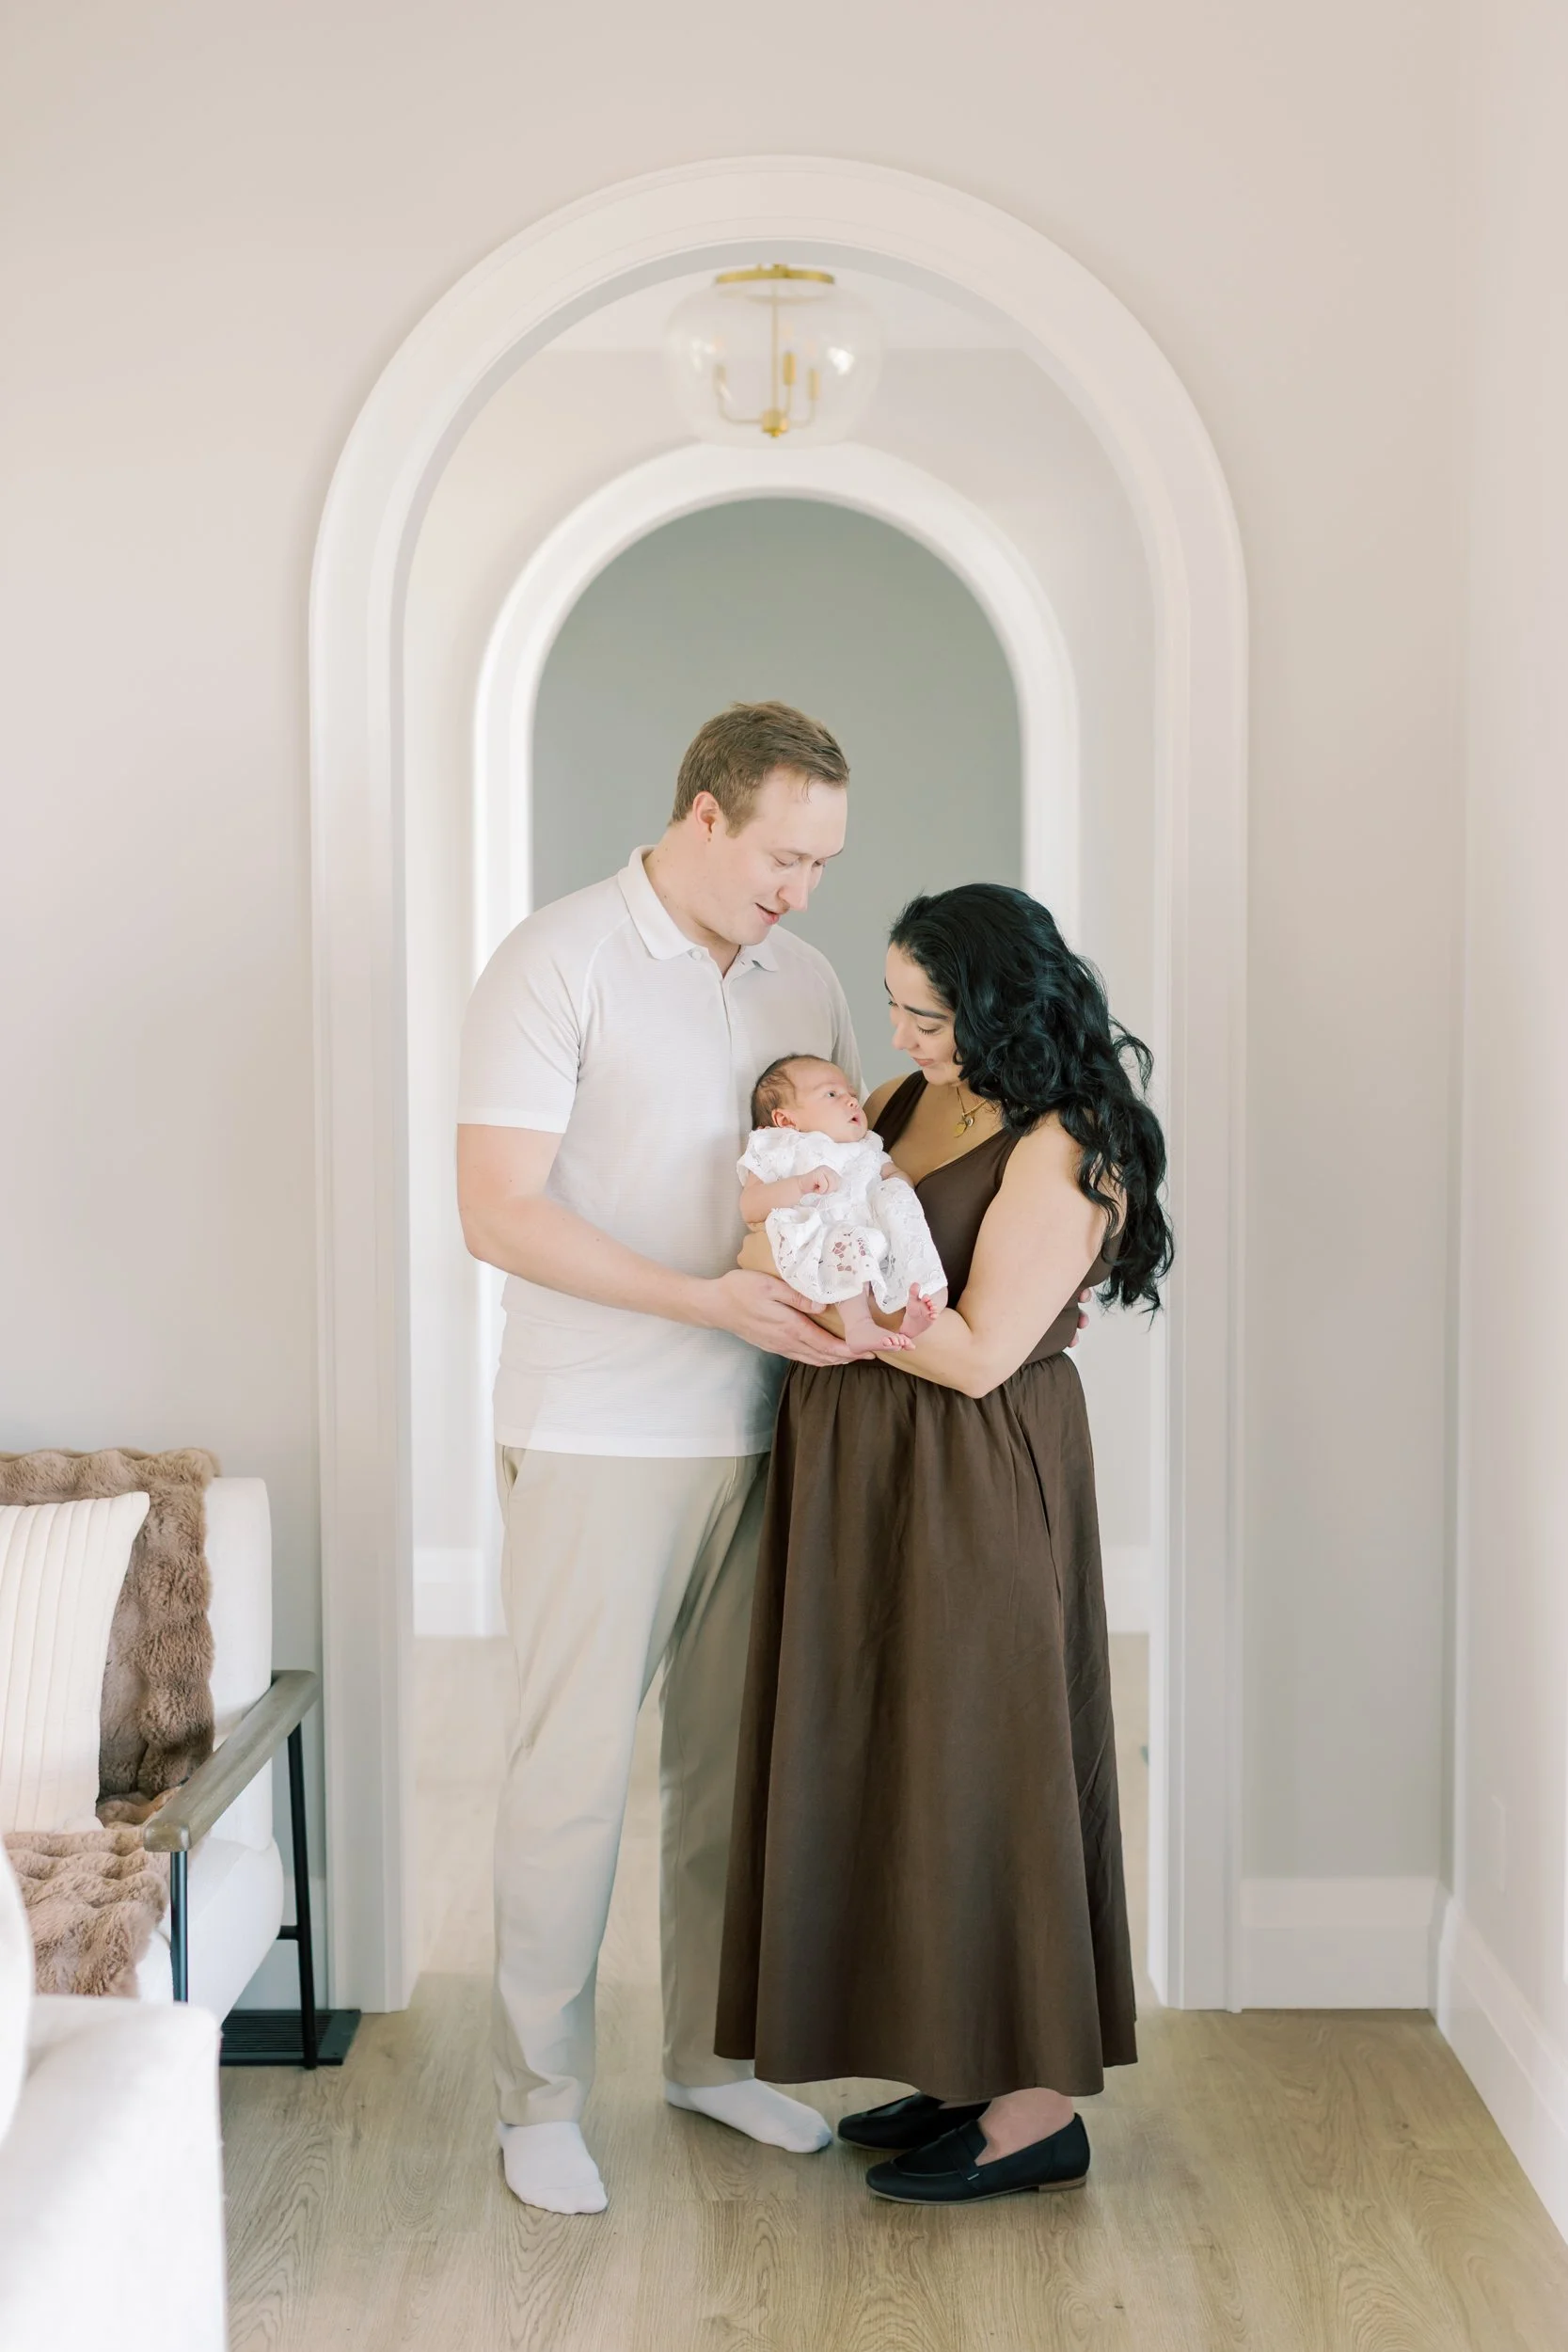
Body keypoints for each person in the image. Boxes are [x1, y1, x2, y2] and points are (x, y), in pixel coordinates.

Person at [456, 702, 874, 2217]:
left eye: (822, 862)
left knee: (731, 1775)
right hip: (595, 1427)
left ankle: (709, 2059)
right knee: (568, 1778)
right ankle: (537, 2097)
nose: (800, 890)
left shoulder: (806, 977)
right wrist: (701, 1300)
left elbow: (829, 1173)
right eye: (781, 855)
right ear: (703, 815)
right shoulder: (554, 958)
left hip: (771, 1427)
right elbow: (497, 1211)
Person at [716, 882, 1173, 2206]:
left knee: (987, 1756)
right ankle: (959, 2060)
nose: (904, 1039)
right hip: (866, 1476)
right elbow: (796, 1217)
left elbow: (973, 1356)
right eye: (899, 1010)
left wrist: (839, 1302)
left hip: (970, 1477)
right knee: (897, 1759)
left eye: (929, 1014)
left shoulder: (1064, 1141)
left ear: (999, 1004)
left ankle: (1033, 2109)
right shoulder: (913, 1103)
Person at [737, 1055, 947, 1355]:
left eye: (851, 1093)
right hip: (822, 1236)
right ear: (786, 1120)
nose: (851, 1101)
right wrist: (799, 1185)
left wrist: (901, 1186)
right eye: (832, 1094)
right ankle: (859, 1324)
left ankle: (926, 1296)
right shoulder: (780, 1146)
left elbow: (891, 1173)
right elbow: (750, 1205)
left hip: (874, 1235)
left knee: (901, 1208)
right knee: (848, 1238)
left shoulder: (867, 1147)